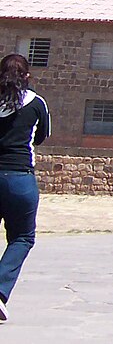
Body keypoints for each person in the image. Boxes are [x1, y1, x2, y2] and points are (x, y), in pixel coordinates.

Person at [0, 54, 51, 322]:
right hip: (20, 176)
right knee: (21, 238)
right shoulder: (35, 103)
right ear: (27, 76)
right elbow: (41, 136)